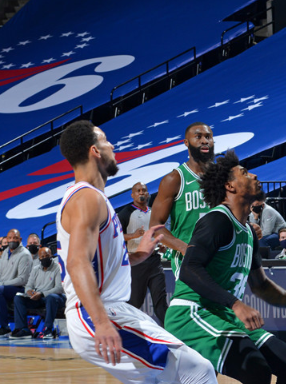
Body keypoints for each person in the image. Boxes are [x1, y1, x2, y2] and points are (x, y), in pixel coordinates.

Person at [56, 120, 215, 383]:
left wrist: (138, 255)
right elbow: (77, 262)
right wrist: (102, 322)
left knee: (168, 377)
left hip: (111, 310)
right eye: (106, 140)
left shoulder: (91, 197)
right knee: (196, 370)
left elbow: (98, 261)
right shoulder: (87, 198)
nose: (112, 146)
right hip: (97, 312)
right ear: (95, 151)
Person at [165, 150, 286, 384]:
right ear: (230, 186)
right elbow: (189, 269)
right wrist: (236, 303)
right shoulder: (217, 220)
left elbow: (261, 286)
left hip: (223, 314)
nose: (254, 175)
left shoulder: (248, 231)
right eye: (244, 173)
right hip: (191, 313)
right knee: (256, 370)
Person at [150, 122, 214, 280]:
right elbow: (155, 226)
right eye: (198, 137)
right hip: (190, 261)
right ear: (186, 142)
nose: (204, 141)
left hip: (221, 257)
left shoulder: (222, 177)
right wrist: (184, 248)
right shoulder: (174, 179)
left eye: (208, 137)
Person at [119, 182, 168, 324]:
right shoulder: (125, 213)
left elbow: (158, 234)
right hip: (136, 262)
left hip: (154, 261)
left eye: (144, 190)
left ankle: (170, 333)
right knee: (135, 303)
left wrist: (162, 245)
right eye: (138, 190)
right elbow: (115, 236)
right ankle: (127, 331)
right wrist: (132, 236)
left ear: (148, 194)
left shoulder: (154, 213)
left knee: (161, 303)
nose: (141, 193)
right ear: (132, 195)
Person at [0, 228, 32, 337]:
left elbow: (22, 279)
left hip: (19, 288)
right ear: (7, 239)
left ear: (20, 239)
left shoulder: (25, 254)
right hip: (4, 287)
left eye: (15, 238)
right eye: (10, 238)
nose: (12, 240)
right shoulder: (6, 252)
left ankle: (4, 327)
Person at [10, 246, 65, 340]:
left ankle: (48, 329)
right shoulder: (35, 269)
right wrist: (30, 292)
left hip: (56, 297)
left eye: (47, 256)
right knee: (18, 298)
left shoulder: (57, 268)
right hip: (39, 297)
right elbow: (28, 286)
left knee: (51, 297)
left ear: (51, 256)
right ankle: (23, 329)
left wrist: (42, 293)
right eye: (42, 257)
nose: (45, 258)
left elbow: (59, 288)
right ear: (39, 258)